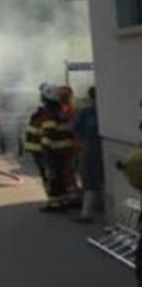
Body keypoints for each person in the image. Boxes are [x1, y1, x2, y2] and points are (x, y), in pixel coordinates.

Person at [39, 84, 75, 211]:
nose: (41, 98)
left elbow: (49, 132)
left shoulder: (49, 113)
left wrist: (44, 147)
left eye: (42, 97)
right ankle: (63, 200)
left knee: (53, 177)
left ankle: (55, 204)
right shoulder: (60, 111)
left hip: (54, 150)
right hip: (64, 149)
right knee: (60, 176)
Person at [72, 86, 103, 222]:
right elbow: (76, 129)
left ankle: (87, 212)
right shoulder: (88, 112)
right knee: (92, 178)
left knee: (90, 178)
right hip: (92, 147)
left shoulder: (87, 113)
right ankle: (91, 209)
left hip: (91, 148)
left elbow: (76, 129)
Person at [23, 97, 49, 189]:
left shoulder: (36, 116)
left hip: (38, 149)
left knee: (44, 172)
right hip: (47, 149)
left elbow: (30, 133)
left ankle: (48, 187)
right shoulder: (52, 116)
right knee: (49, 172)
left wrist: (28, 148)